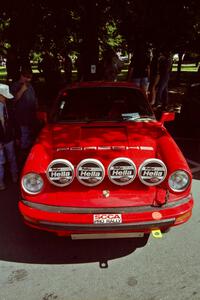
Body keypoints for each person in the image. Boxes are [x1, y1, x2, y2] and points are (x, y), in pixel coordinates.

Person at [10, 69, 38, 152]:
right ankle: (23, 152)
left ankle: (29, 149)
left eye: (30, 78)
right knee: (24, 135)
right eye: (27, 77)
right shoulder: (15, 86)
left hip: (31, 116)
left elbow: (34, 97)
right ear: (22, 76)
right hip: (22, 117)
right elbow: (13, 100)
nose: (29, 80)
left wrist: (36, 105)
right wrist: (22, 90)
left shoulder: (30, 86)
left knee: (30, 134)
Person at [0, 84, 19, 190]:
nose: (6, 99)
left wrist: (16, 136)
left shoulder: (8, 106)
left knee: (12, 158)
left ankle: (14, 175)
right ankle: (0, 182)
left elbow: (13, 122)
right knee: (0, 162)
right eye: (4, 96)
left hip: (9, 137)